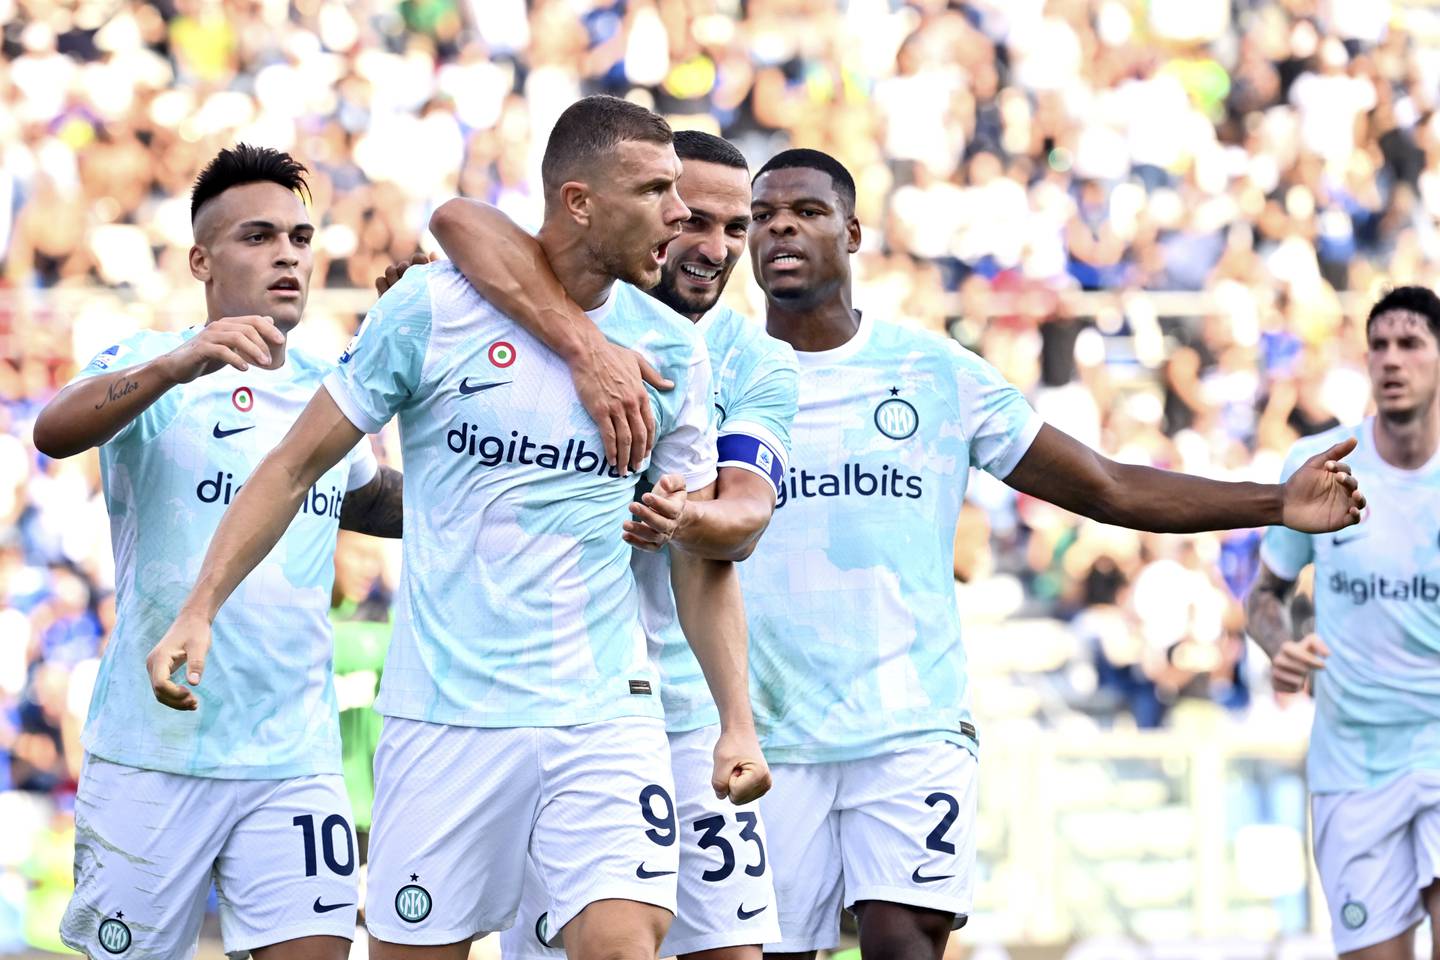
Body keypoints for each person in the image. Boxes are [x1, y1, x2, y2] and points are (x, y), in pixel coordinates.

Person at [146, 95, 769, 960]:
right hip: (444, 716)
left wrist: (736, 718)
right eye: (658, 190)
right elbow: (292, 466)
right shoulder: (429, 312)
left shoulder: (672, 349)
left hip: (604, 711)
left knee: (623, 941)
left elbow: (701, 560)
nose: (678, 213)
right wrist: (200, 606)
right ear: (581, 201)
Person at [733, 148, 1366, 960]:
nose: (780, 225)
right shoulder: (721, 374)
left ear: (853, 232)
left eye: (806, 211)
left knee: (903, 944)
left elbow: (1107, 486)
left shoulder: (934, 373)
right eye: (763, 215)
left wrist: (1275, 503)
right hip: (768, 735)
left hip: (910, 727)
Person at [417, 129, 798, 960]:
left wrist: (683, 519)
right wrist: (582, 344)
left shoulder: (750, 359)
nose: (710, 245)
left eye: (736, 229)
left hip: (684, 708)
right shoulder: (535, 296)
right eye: (691, 215)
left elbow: (741, 518)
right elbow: (456, 219)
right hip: (549, 705)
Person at [33, 144, 403, 960]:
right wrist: (174, 364)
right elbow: (52, 430)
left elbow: (371, 501)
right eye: (260, 236)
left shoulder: (329, 384)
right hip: (151, 755)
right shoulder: (152, 363)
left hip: (292, 758)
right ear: (203, 259)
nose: (288, 256)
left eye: (302, 240)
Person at [1246, 285, 1440, 960]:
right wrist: (1282, 644)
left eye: (1411, 344)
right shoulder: (1322, 463)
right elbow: (1264, 595)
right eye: (1379, 345)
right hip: (1354, 764)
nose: (1391, 360)